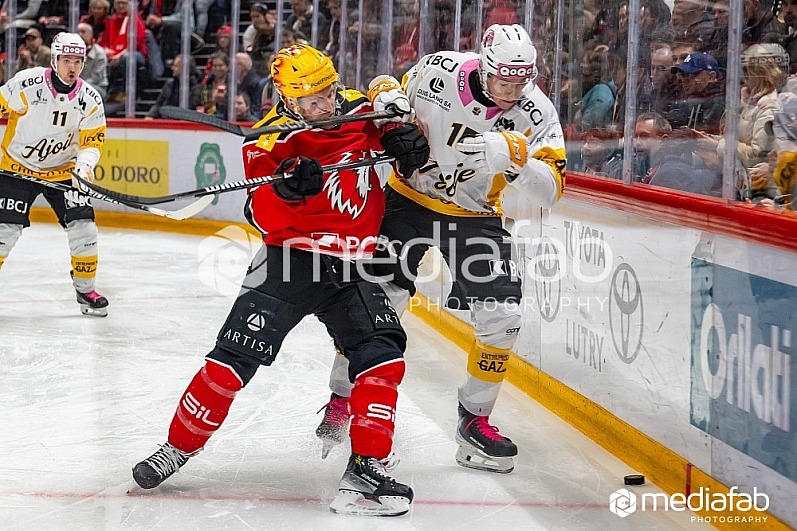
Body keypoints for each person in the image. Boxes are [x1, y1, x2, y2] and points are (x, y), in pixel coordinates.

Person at [131, 43, 429, 517]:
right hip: (289, 261)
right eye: (311, 102)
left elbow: (401, 130)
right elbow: (260, 213)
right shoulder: (270, 141)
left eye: (327, 93)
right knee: (231, 362)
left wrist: (405, 142)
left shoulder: (360, 113)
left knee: (383, 357)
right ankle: (177, 448)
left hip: (351, 264)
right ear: (288, 101)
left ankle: (366, 472)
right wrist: (286, 186)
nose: (323, 107)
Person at [316, 24, 566, 474]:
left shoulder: (537, 111)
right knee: (378, 305)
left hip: (475, 216)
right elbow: (385, 92)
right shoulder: (439, 70)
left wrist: (517, 162)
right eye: (503, 82)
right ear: (485, 68)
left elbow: (550, 191)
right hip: (408, 201)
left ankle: (475, 421)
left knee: (503, 319)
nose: (511, 93)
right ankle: (342, 396)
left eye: (519, 83)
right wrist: (387, 99)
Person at [0, 32, 109, 317]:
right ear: (54, 60)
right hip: (16, 168)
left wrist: (82, 173)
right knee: (3, 233)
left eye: (78, 61)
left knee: (84, 228)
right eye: (67, 60)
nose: (72, 67)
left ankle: (86, 290)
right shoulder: (27, 83)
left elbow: (92, 143)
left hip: (63, 171)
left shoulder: (90, 99)